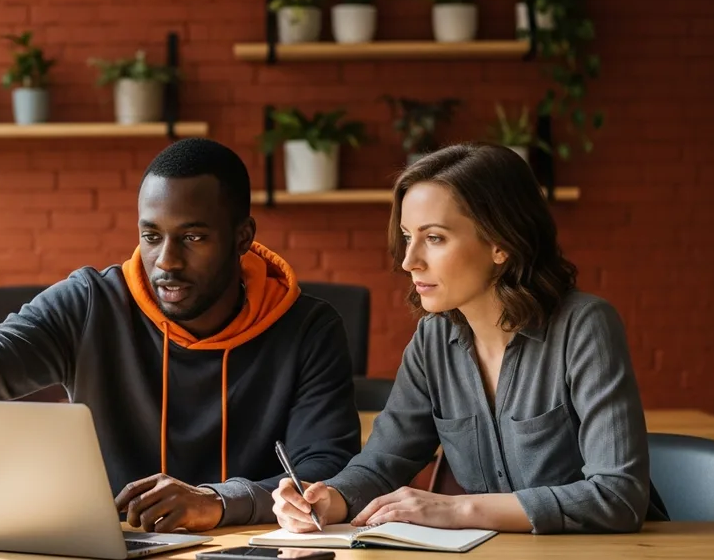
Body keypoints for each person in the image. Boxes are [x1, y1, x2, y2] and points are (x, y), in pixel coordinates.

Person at [0, 138, 361, 532]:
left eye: (194, 237)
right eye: (151, 236)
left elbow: (326, 470)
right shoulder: (92, 301)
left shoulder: (308, 328)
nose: (167, 261)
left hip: (253, 547)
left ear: (243, 237)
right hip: (114, 547)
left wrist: (219, 501)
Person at [272, 143, 663, 535]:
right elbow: (382, 461)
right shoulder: (432, 340)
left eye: (435, 238)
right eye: (408, 236)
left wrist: (458, 510)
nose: (409, 261)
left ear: (502, 244)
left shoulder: (585, 326)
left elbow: (619, 497)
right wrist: (330, 498)